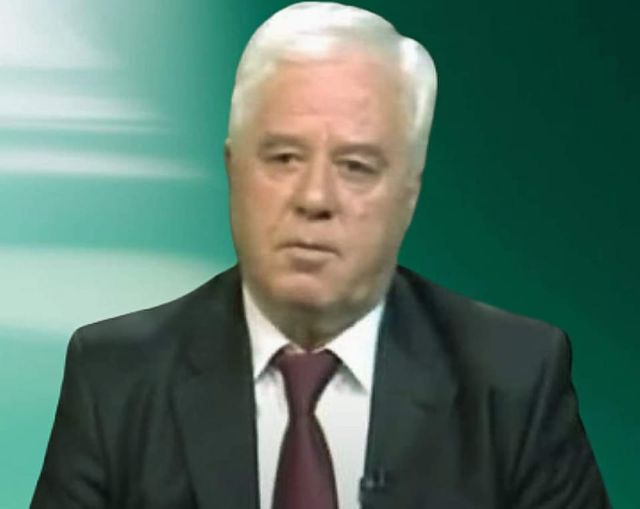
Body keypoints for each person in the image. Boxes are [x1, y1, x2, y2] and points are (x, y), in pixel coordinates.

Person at [31, 2, 610, 508]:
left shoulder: (514, 382)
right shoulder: (115, 377)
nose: (314, 199)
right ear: (234, 170)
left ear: (409, 195)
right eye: (284, 158)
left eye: (356, 167)